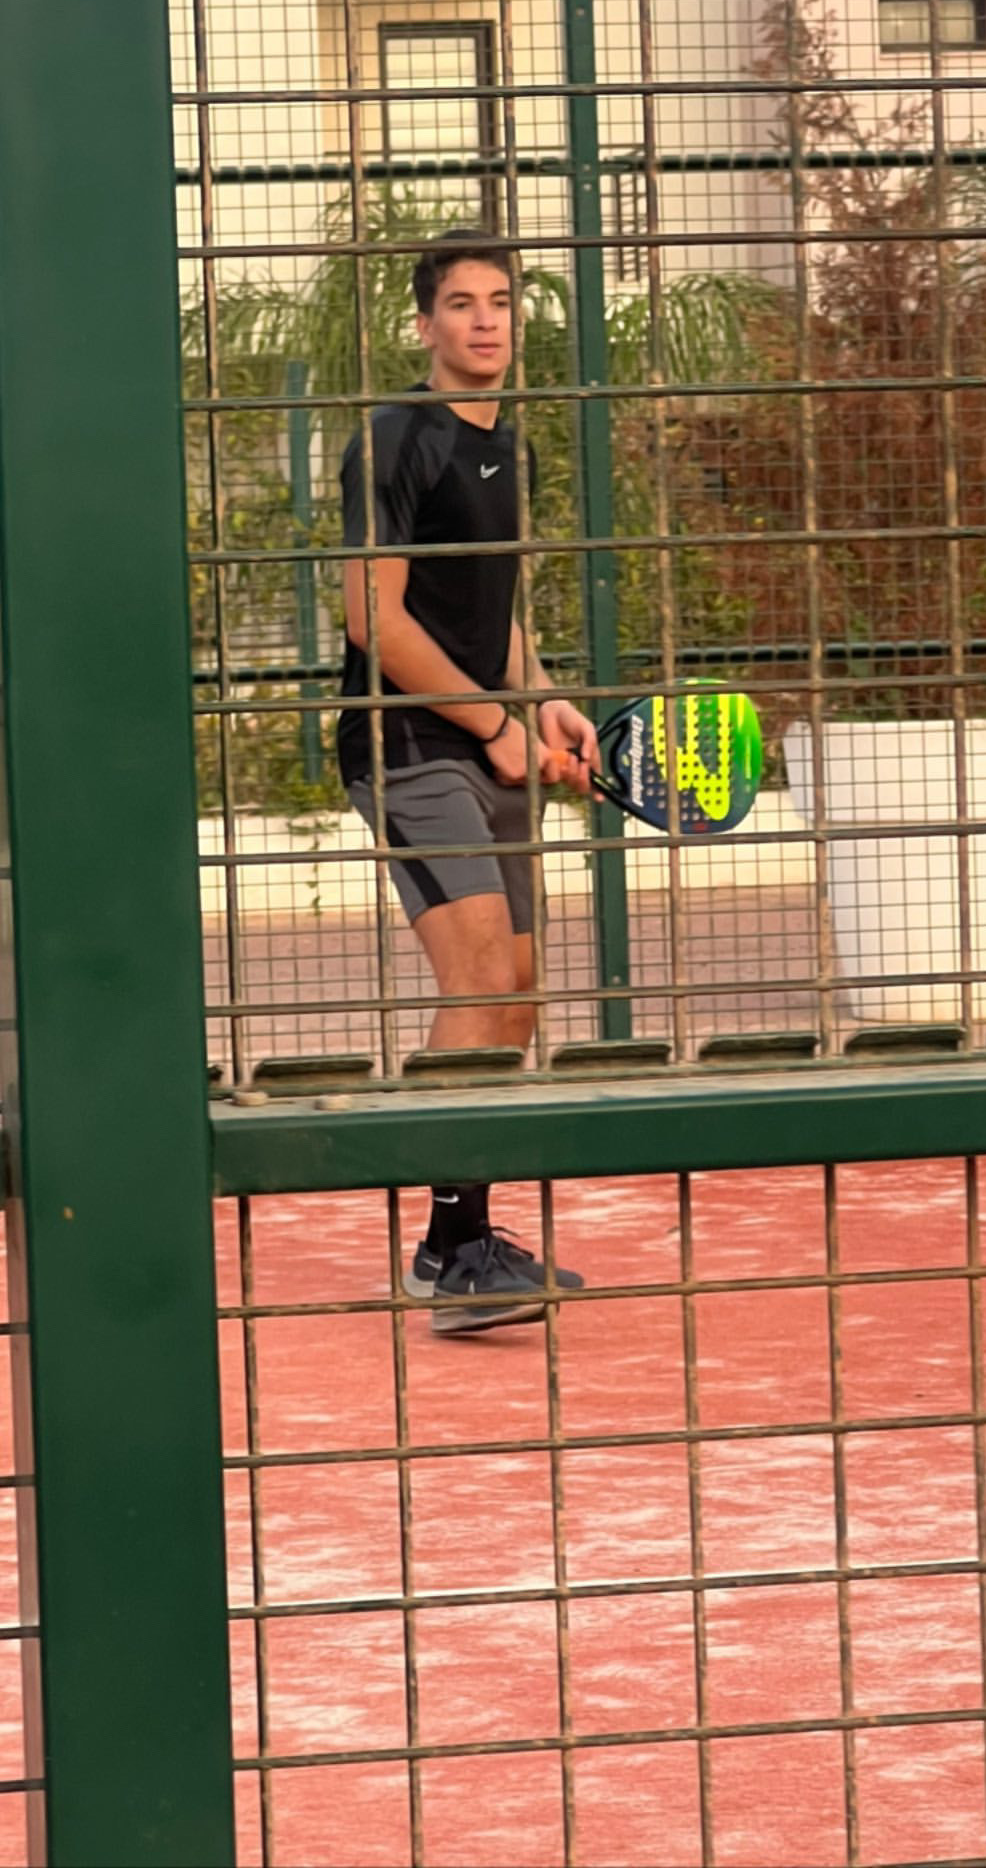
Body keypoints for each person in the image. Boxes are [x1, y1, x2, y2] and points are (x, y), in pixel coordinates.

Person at [338, 229, 600, 1336]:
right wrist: (493, 725)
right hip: (405, 745)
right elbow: (373, 615)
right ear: (424, 324)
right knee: (478, 975)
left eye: (500, 300)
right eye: (461, 302)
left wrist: (541, 700)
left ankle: (455, 1245)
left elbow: (494, 608)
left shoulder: (508, 445)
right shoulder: (396, 437)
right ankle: (454, 1262)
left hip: (486, 737)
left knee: (518, 991)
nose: (486, 319)